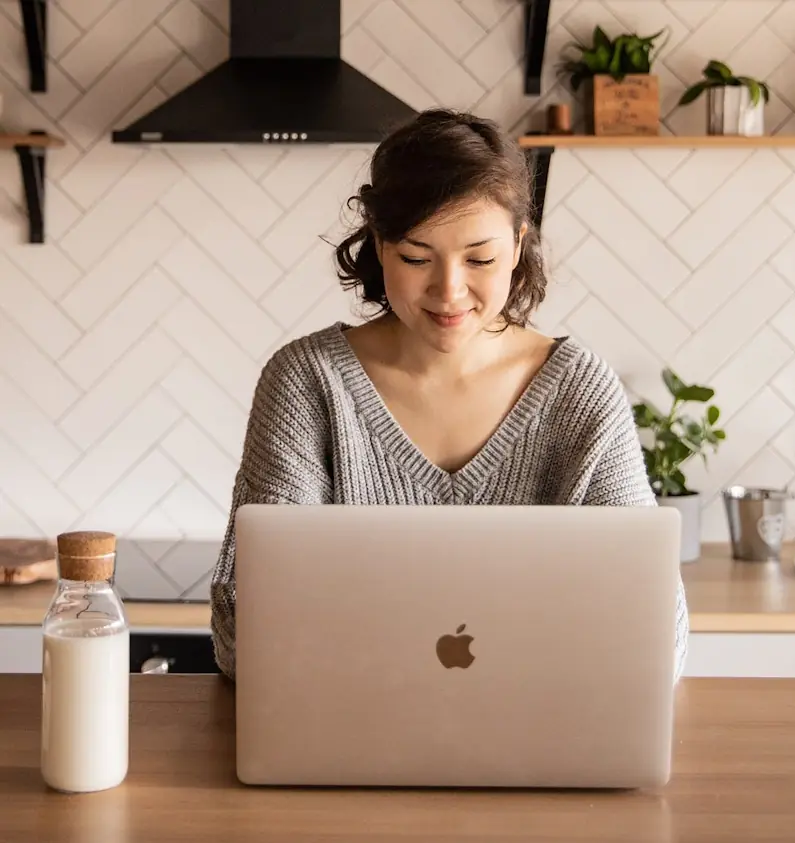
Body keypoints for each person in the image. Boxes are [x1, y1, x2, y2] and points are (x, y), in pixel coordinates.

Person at [210, 108, 688, 682]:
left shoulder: (579, 393)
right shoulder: (307, 383)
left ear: (517, 246)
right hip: (350, 747)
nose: (449, 290)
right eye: (416, 258)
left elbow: (657, 637)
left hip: (539, 745)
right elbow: (245, 636)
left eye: (480, 258)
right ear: (380, 246)